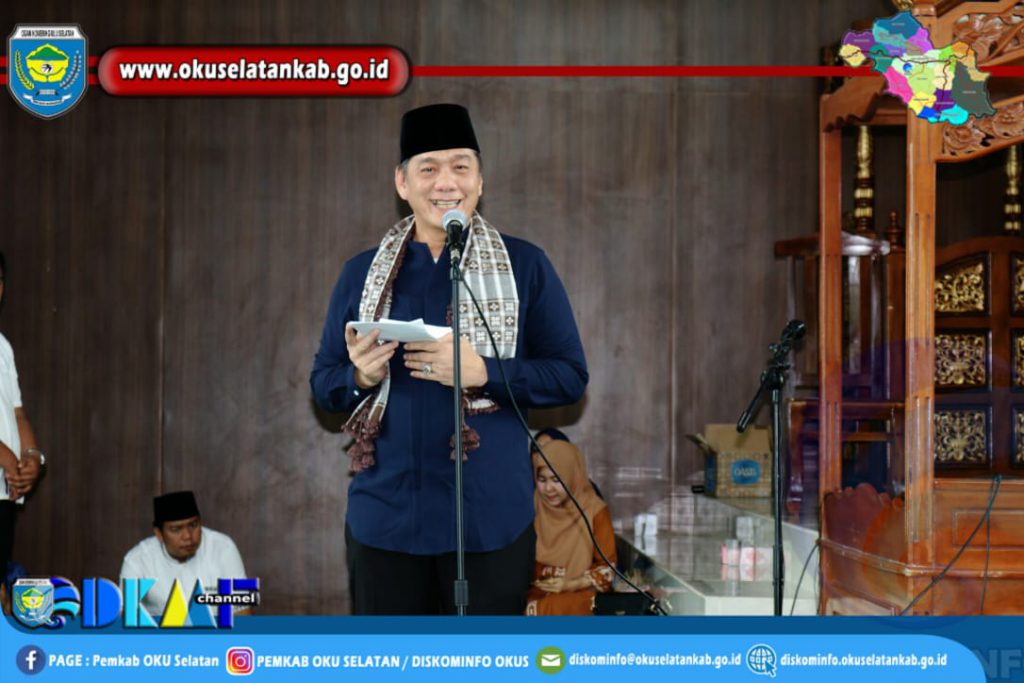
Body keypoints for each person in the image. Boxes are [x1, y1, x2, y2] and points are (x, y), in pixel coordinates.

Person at [310, 103, 588, 615]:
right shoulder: (361, 274)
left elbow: (570, 377)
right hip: (388, 523)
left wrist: (485, 372)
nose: (446, 182)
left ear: (480, 180)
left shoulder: (525, 265)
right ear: (402, 182)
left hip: (489, 523)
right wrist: (361, 376)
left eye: (460, 166)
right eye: (428, 168)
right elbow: (324, 384)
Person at [120, 491, 249, 618]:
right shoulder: (137, 560)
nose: (188, 536)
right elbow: (124, 617)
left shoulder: (223, 548)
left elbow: (242, 613)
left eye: (193, 525)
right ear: (159, 533)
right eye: (176, 529)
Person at [526, 439, 616, 616]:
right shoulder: (531, 505)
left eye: (556, 480)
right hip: (536, 593)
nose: (548, 488)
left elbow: (607, 570)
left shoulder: (594, 510)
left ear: (572, 476)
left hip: (580, 592)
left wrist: (569, 584)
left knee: (552, 607)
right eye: (542, 480)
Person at [0, 251, 46, 585]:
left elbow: (18, 412)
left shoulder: (3, 346)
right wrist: (7, 458)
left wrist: (32, 458)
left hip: (5, 491)